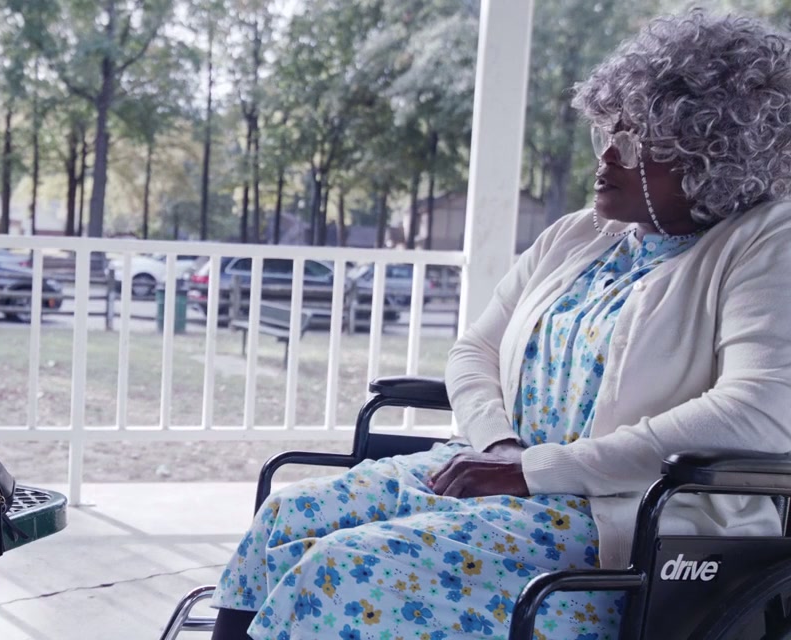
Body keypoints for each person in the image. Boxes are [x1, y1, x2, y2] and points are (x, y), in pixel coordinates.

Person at [210, 11, 791, 640]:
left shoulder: (767, 243)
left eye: (635, 140)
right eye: (608, 130)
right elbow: (475, 351)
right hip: (498, 475)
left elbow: (758, 411)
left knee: (341, 569)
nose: (607, 154)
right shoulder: (579, 235)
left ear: (712, 156)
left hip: (627, 524)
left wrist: (537, 470)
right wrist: (499, 449)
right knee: (289, 514)